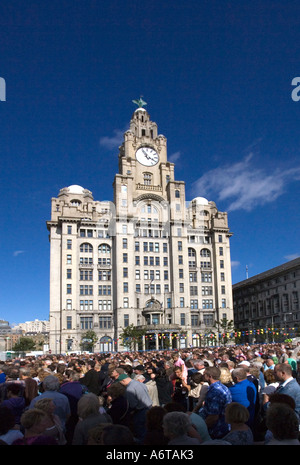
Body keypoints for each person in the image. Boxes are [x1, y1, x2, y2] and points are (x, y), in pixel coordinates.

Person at [118, 373, 152, 444]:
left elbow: (132, 404)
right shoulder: (140, 383)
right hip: (149, 408)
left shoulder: (130, 389)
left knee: (141, 432)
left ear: (123, 381)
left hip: (140, 411)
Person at [198, 366, 232, 439]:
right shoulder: (222, 387)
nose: (202, 376)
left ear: (209, 376)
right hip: (223, 427)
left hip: (216, 430)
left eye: (204, 374)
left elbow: (213, 416)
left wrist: (202, 429)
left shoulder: (215, 392)